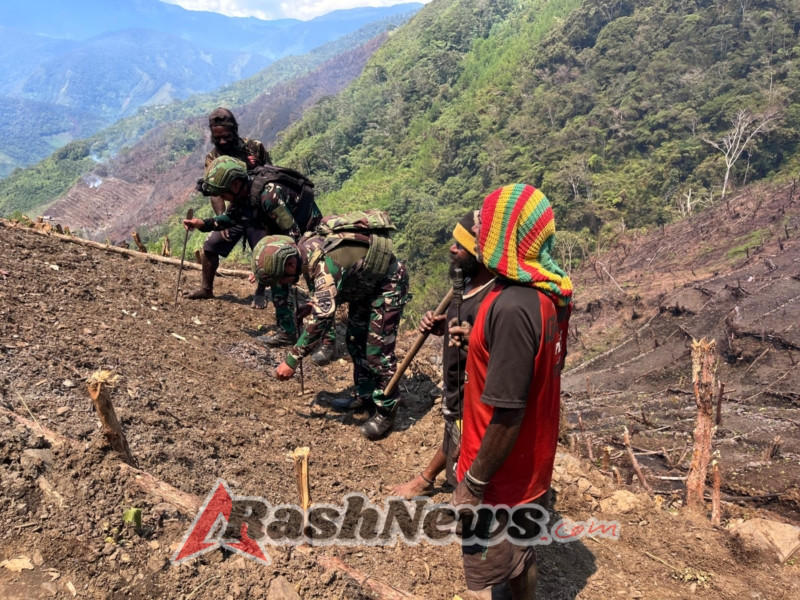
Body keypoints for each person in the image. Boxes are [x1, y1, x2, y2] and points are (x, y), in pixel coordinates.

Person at [452, 184, 573, 599]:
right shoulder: (547, 294)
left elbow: (508, 411)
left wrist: (473, 484)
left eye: (485, 222)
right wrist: (479, 342)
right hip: (529, 464)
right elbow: (537, 365)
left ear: (505, 233)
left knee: (502, 560)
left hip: (500, 476)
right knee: (520, 554)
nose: (477, 227)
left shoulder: (513, 306)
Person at [250, 211, 410, 440]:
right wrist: (313, 304)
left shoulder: (323, 266)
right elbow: (328, 293)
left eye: (281, 278)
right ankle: (365, 396)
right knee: (355, 341)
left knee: (378, 352)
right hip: (364, 287)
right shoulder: (307, 250)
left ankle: (386, 410)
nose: (283, 283)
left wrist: (292, 360)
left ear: (290, 262)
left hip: (387, 285)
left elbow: (323, 318)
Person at [184, 156, 335, 365]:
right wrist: (203, 224)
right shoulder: (243, 195)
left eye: (224, 193)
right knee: (277, 278)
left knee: (317, 287)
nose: (225, 199)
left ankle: (328, 342)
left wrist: (277, 262)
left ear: (235, 184)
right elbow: (231, 218)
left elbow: (292, 233)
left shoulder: (269, 196)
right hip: (283, 235)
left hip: (308, 234)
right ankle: (287, 331)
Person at [389, 210, 494, 499]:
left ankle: (447, 491)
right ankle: (429, 478)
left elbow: (491, 347)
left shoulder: (493, 298)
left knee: (464, 448)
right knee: (454, 431)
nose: (452, 248)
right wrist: (441, 325)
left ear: (479, 252)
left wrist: (473, 342)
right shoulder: (467, 284)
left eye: (460, 245)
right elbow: (460, 323)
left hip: (473, 393)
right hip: (455, 390)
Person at [193, 107, 272, 308]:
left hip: (261, 212)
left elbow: (271, 176)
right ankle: (206, 288)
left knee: (263, 252)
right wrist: (221, 218)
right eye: (217, 138)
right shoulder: (213, 158)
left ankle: (261, 292)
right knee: (211, 246)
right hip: (234, 213)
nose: (221, 142)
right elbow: (215, 192)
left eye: (226, 137)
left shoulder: (255, 148)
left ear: (235, 130)